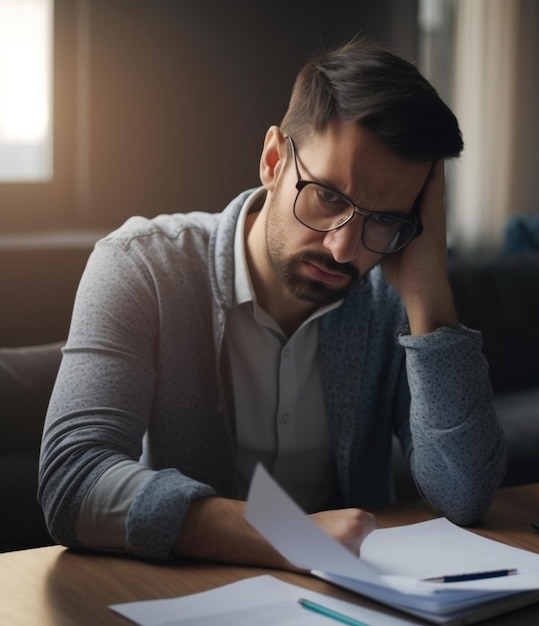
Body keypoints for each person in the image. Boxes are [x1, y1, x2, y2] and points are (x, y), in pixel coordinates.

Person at [38, 40, 506, 567]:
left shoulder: (390, 297)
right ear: (273, 160)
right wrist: (292, 538)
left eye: (384, 219)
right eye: (328, 196)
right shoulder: (141, 266)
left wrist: (430, 296)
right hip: (184, 593)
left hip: (354, 600)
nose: (344, 247)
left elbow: (464, 495)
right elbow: (73, 482)